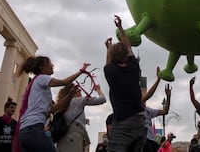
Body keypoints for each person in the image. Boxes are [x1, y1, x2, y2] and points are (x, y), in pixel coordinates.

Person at [14, 55, 89, 152]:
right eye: (50, 64)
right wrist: (81, 71)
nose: (52, 65)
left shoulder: (37, 86)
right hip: (34, 129)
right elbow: (64, 82)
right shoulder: (42, 78)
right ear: (42, 67)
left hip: (25, 132)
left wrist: (70, 95)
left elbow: (52, 109)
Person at [104, 15, 146, 152]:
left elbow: (109, 61)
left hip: (122, 121)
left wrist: (109, 48)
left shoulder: (111, 72)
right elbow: (128, 46)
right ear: (126, 56)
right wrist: (121, 27)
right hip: (139, 122)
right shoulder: (134, 67)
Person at [56, 83, 106, 151]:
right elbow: (102, 99)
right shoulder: (78, 100)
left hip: (63, 138)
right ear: (73, 92)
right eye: (78, 90)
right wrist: (98, 90)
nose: (80, 91)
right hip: (74, 137)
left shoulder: (63, 104)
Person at [142, 67, 172, 152]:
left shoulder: (148, 110)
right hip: (142, 140)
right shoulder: (134, 108)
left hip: (152, 141)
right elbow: (149, 95)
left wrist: (168, 97)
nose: (144, 96)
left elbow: (165, 111)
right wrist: (158, 79)